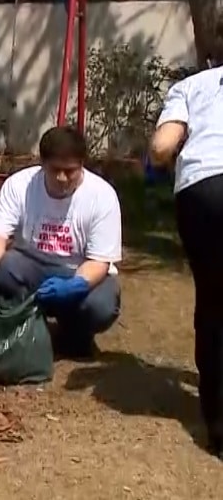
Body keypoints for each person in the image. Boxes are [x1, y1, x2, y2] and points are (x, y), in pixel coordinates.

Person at [0, 126, 123, 358]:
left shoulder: (102, 196)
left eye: (69, 171)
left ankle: (74, 334)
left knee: (101, 305)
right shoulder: (20, 185)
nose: (62, 178)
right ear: (43, 164)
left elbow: (99, 261)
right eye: (55, 170)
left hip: (78, 270)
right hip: (31, 264)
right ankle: (22, 325)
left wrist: (75, 285)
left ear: (82, 164)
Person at [149, 42, 223, 458]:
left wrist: (154, 162)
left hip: (204, 189)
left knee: (214, 303)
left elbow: (162, 148)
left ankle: (218, 425)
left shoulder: (192, 86)